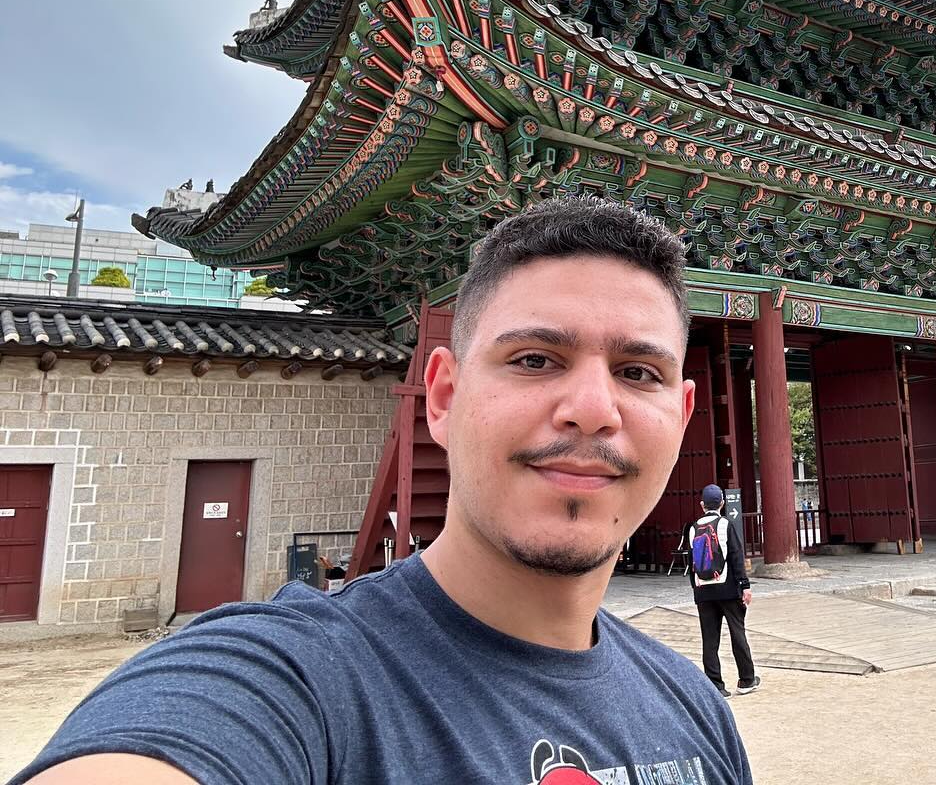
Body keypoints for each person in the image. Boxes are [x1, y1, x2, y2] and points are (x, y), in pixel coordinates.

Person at [16, 198, 753, 784]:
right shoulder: (293, 680)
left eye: (639, 372)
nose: (594, 407)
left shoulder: (693, 707)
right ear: (441, 396)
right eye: (534, 358)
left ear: (681, 418)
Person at [685, 483, 758, 697]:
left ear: (702, 505)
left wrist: (697, 590)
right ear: (722, 504)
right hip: (727, 588)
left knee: (710, 639)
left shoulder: (693, 528)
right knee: (737, 633)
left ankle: (715, 684)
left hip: (703, 590)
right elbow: (736, 557)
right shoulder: (725, 525)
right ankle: (746, 680)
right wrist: (745, 586)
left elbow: (692, 563)